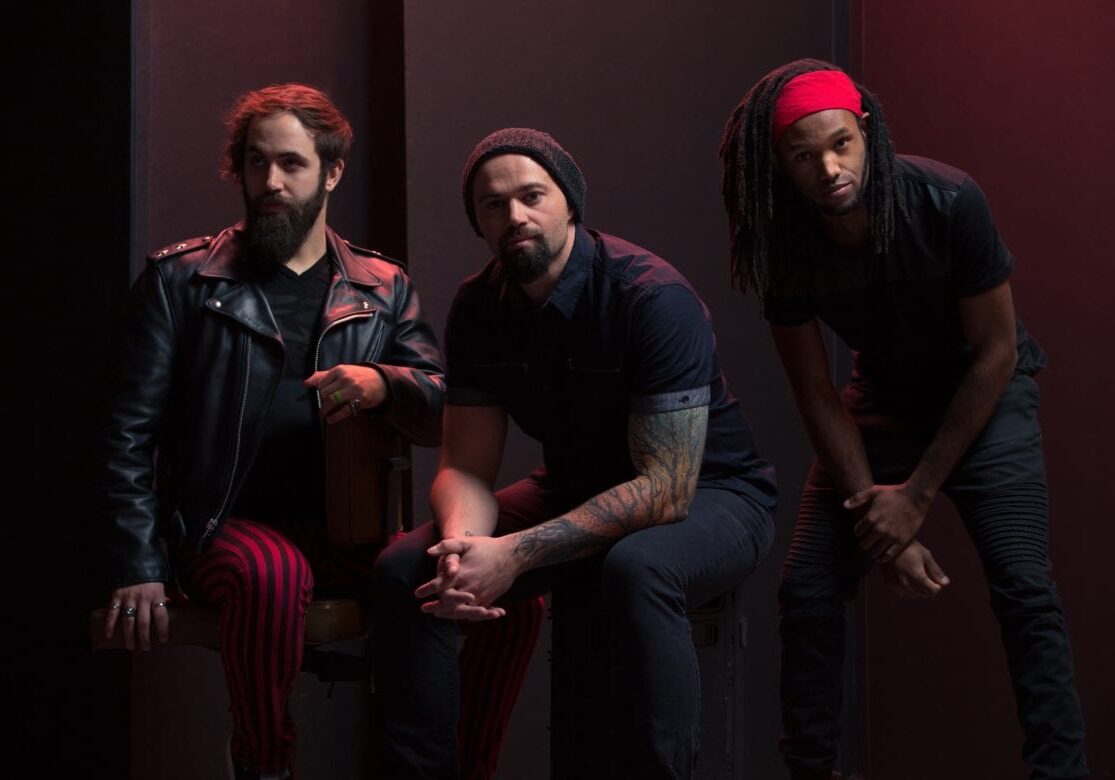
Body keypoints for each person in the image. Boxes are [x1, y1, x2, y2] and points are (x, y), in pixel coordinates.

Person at [101, 84, 533, 780]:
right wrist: (139, 564)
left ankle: (467, 767)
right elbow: (127, 433)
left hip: (352, 533)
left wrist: (384, 382)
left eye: (291, 163)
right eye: (257, 162)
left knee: (512, 585)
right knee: (273, 573)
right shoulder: (180, 281)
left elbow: (438, 413)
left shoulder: (382, 286)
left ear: (331, 172)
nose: (271, 181)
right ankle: (265, 764)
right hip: (219, 526)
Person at [719, 59, 1088, 780]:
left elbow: (997, 351)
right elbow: (813, 388)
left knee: (1024, 588)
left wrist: (915, 498)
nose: (828, 169)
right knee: (807, 589)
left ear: (866, 133)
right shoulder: (780, 242)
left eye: (840, 145)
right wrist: (877, 522)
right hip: (882, 400)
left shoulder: (948, 200)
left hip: (984, 395)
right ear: (778, 166)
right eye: (802, 157)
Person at [371, 127, 778, 778]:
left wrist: (514, 553)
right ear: (478, 222)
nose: (514, 215)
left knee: (637, 567)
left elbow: (665, 490)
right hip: (573, 484)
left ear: (569, 202)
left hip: (712, 493)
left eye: (532, 195)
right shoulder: (478, 306)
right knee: (406, 568)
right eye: (493, 204)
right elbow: (466, 466)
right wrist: (463, 550)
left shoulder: (651, 296)